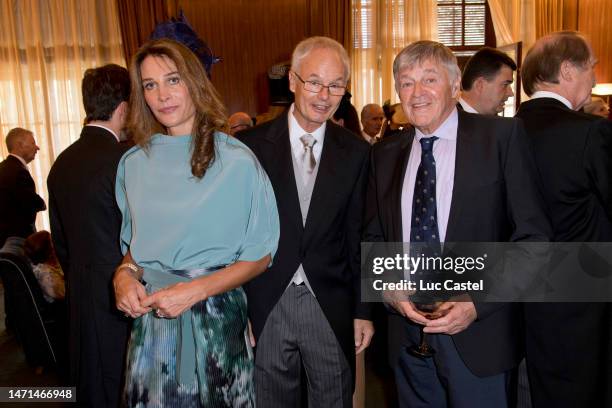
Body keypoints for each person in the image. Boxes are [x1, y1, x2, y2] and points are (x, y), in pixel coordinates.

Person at [363, 40, 551, 408]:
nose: (416, 93)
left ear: (454, 85)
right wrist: (388, 288)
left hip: (479, 338)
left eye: (428, 80)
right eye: (406, 82)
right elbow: (374, 237)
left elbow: (535, 240)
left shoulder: (501, 139)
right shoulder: (384, 154)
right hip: (407, 339)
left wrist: (477, 303)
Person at [112, 38, 279, 407]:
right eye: (150, 85)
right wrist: (124, 276)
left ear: (194, 82)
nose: (162, 95)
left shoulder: (236, 160)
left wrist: (196, 290)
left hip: (214, 319)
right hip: (153, 324)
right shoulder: (133, 165)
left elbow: (261, 255)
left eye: (173, 80)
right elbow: (135, 253)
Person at [237, 36, 374, 408]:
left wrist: (364, 310)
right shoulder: (247, 147)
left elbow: (361, 233)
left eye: (335, 85)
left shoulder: (358, 152)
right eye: (314, 81)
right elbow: (237, 234)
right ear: (293, 81)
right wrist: (241, 307)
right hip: (266, 300)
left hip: (330, 302)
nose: (323, 94)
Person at [516, 31, 612, 408]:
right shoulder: (590, 133)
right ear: (568, 70)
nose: (593, 77)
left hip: (510, 301)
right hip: (582, 306)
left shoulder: (499, 132)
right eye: (592, 67)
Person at [47, 63, 131, 407]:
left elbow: (60, 240)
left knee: (90, 384)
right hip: (122, 293)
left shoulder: (61, 163)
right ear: (124, 107)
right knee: (122, 383)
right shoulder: (127, 159)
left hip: (80, 293)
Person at [0, 127, 46, 247]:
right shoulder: (18, 171)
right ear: (19, 145)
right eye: (33, 143)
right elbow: (29, 201)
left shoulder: (3, 167)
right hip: (16, 240)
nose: (37, 147)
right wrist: (42, 203)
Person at [459, 47, 517, 115]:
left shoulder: (499, 123)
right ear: (479, 85)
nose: (511, 93)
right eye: (505, 85)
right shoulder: (447, 119)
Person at [23, 231, 65, 303]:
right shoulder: (46, 275)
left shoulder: (46, 266)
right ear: (48, 251)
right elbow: (64, 294)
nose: (54, 245)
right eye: (52, 243)